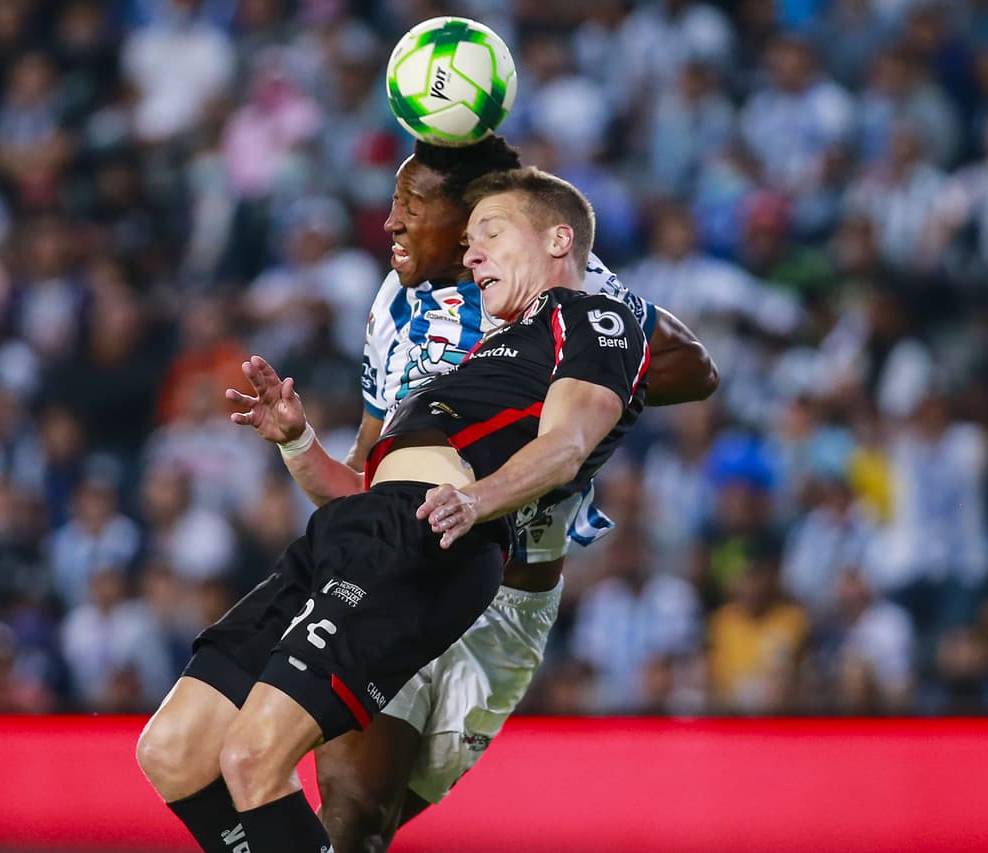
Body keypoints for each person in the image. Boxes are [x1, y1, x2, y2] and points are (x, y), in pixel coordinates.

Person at [137, 138, 717, 851]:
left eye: (416, 207)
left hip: (467, 561)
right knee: (182, 753)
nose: (392, 223)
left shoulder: (587, 316)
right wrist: (295, 441)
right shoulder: (408, 323)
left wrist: (483, 495)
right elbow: (364, 477)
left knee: (335, 806)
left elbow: (581, 434)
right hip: (368, 532)